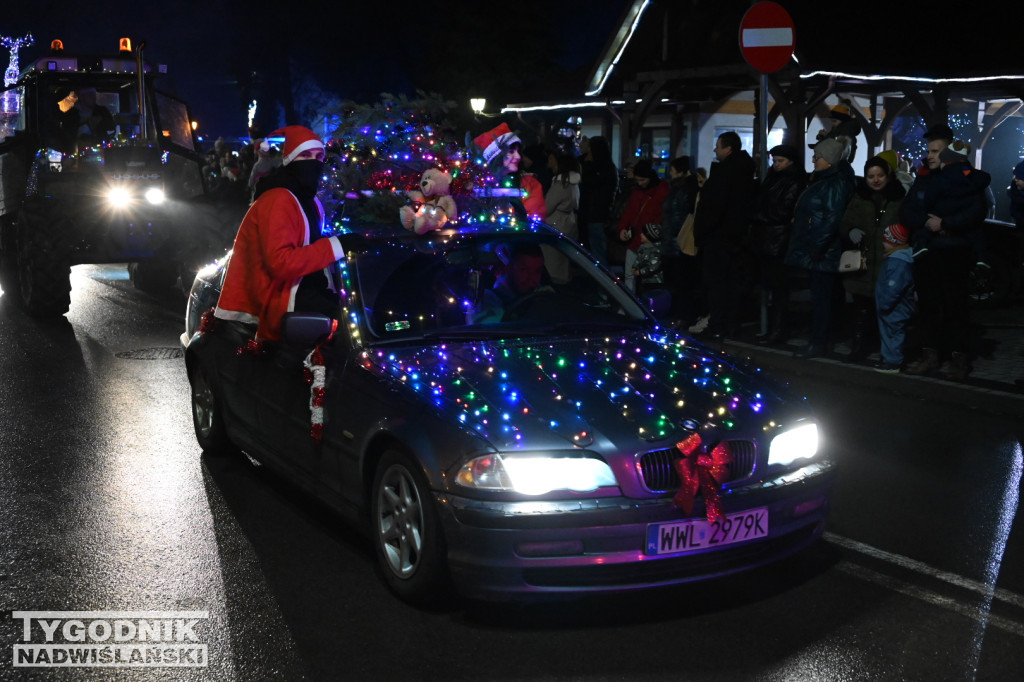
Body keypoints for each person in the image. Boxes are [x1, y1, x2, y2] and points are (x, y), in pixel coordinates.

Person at [214, 125, 344, 342]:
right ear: (290, 160)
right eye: (305, 155)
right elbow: (281, 263)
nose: (313, 161)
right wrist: (337, 246)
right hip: (279, 302)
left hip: (301, 292)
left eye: (318, 156)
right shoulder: (278, 198)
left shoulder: (309, 200)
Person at [900, 125, 991, 380]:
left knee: (955, 308)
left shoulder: (966, 179)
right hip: (927, 253)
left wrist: (946, 224)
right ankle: (930, 357)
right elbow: (907, 211)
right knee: (928, 307)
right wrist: (928, 223)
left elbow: (975, 211)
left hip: (954, 252)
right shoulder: (924, 178)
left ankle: (958, 360)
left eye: (936, 151)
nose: (930, 155)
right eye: (929, 150)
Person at [784, 137, 857, 358]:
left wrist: (817, 247)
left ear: (830, 160)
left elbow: (831, 218)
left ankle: (818, 342)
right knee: (823, 298)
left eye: (818, 156)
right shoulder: (827, 179)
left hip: (824, 252)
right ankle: (822, 339)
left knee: (822, 299)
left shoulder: (834, 183)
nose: (814, 159)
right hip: (821, 249)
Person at [838, 155, 906, 361]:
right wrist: (851, 231)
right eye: (870, 176)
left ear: (888, 176)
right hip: (863, 263)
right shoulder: (859, 197)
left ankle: (887, 350)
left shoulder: (899, 198)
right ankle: (859, 347)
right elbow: (845, 222)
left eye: (880, 175)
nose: (875, 180)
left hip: (888, 262)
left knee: (888, 309)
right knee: (861, 308)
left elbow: (907, 225)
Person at [692, 131, 757, 339]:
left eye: (718, 146)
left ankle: (718, 324)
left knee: (717, 283)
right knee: (730, 283)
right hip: (734, 237)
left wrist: (702, 231)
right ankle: (730, 324)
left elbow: (714, 207)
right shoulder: (743, 172)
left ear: (728, 149)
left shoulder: (725, 173)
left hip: (719, 238)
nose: (715, 149)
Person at [749, 143, 808, 344]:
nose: (776, 165)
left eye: (780, 161)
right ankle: (775, 329)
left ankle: (778, 330)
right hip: (770, 238)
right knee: (774, 288)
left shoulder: (792, 180)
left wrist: (759, 215)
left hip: (779, 239)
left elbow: (784, 210)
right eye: (775, 161)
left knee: (779, 289)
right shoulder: (776, 179)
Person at [474, 123, 546, 221]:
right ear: (496, 157)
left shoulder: (530, 184)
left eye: (518, 151)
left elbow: (535, 219)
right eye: (511, 152)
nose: (518, 157)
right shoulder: (479, 185)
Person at [616, 159, 668, 292]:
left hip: (649, 241)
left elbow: (660, 216)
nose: (640, 183)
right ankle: (630, 304)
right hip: (635, 238)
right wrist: (622, 228)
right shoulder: (638, 190)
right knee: (629, 275)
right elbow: (630, 211)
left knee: (647, 278)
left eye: (642, 180)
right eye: (638, 180)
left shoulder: (661, 190)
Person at [472, 242, 552, 323]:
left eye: (537, 271)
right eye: (524, 270)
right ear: (509, 269)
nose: (531, 278)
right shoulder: (488, 300)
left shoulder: (545, 295)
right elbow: (491, 332)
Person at [661, 156, 700, 321]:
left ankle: (681, 314)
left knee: (680, 281)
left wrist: (673, 238)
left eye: (672, 170)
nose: (670, 173)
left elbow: (678, 216)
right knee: (681, 281)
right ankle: (681, 313)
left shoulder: (682, 190)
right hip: (676, 241)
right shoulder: (685, 188)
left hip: (677, 242)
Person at [874, 222, 916, 374]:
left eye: (886, 241)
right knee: (889, 333)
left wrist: (885, 303)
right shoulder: (896, 259)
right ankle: (888, 359)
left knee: (894, 333)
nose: (883, 244)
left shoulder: (898, 262)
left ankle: (893, 362)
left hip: (895, 307)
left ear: (894, 242)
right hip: (892, 307)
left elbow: (894, 287)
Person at [578, 136, 618, 265]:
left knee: (598, 251)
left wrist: (587, 162)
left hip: (597, 216)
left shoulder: (601, 169)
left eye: (589, 147)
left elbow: (589, 182)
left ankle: (602, 281)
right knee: (595, 250)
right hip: (594, 215)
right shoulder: (606, 167)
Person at [543, 153, 581, 284]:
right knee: (564, 261)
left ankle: (557, 288)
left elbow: (547, 207)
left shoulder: (560, 184)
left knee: (554, 262)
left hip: (556, 224)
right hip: (569, 223)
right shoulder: (573, 184)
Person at [631, 222, 665, 294]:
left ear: (649, 237)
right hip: (642, 281)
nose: (641, 235)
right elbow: (639, 259)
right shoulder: (643, 248)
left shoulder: (656, 251)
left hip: (653, 282)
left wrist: (639, 272)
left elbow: (653, 267)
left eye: (643, 234)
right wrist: (635, 267)